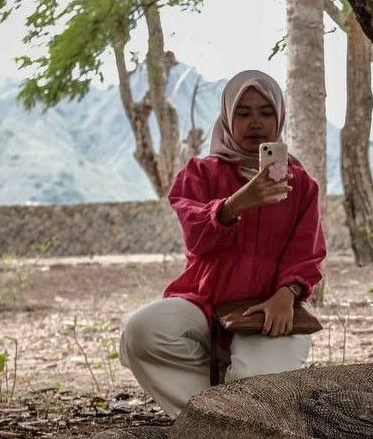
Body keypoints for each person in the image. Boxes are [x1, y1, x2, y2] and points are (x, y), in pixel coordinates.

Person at [119, 70, 327, 415]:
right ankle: (204, 417)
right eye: (243, 113)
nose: (256, 123)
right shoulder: (201, 174)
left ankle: (226, 419)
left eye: (266, 112)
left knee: (254, 382)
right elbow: (196, 240)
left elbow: (307, 251)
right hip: (205, 300)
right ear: (228, 118)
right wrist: (236, 203)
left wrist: (286, 294)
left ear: (280, 117)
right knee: (142, 332)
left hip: (269, 310)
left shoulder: (301, 185)